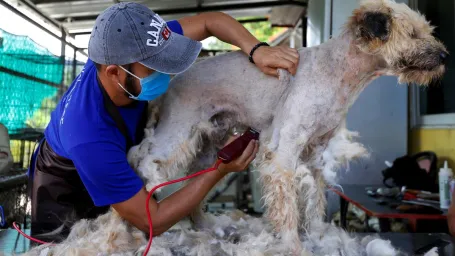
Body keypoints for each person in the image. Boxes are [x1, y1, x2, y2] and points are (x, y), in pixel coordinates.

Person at [28, 2, 300, 241]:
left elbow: (210, 21)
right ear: (114, 73)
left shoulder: (124, 50)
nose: (166, 72)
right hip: (63, 187)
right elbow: (151, 219)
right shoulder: (89, 134)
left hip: (104, 158)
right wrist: (218, 170)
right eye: (154, 66)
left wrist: (257, 50)